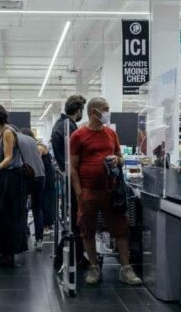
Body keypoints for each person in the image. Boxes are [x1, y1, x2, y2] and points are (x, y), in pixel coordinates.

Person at [69, 97, 143, 286]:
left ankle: (126, 268)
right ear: (94, 112)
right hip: (88, 192)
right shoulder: (78, 135)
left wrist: (117, 161)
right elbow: (73, 167)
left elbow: (121, 158)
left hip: (111, 191)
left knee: (121, 228)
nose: (109, 112)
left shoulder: (111, 134)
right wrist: (79, 194)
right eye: (106, 109)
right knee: (87, 230)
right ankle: (94, 267)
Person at [0, 105, 29, 266]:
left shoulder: (7, 132)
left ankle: (8, 254)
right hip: (7, 177)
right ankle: (6, 252)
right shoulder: (2, 132)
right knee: (3, 214)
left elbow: (7, 158)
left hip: (12, 178)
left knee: (8, 215)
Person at [51, 95, 87, 266]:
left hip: (68, 178)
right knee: (76, 221)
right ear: (79, 110)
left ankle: (75, 256)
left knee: (74, 221)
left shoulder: (62, 124)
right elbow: (74, 157)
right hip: (73, 179)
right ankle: (67, 258)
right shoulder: (69, 127)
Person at [21, 128, 49, 251]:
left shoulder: (23, 145)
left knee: (23, 207)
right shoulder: (36, 145)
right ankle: (39, 240)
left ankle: (24, 233)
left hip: (28, 176)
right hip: (41, 177)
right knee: (37, 209)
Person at [51, 94, 86, 171]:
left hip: (66, 169)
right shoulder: (69, 126)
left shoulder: (59, 123)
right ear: (79, 111)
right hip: (71, 171)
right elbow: (76, 151)